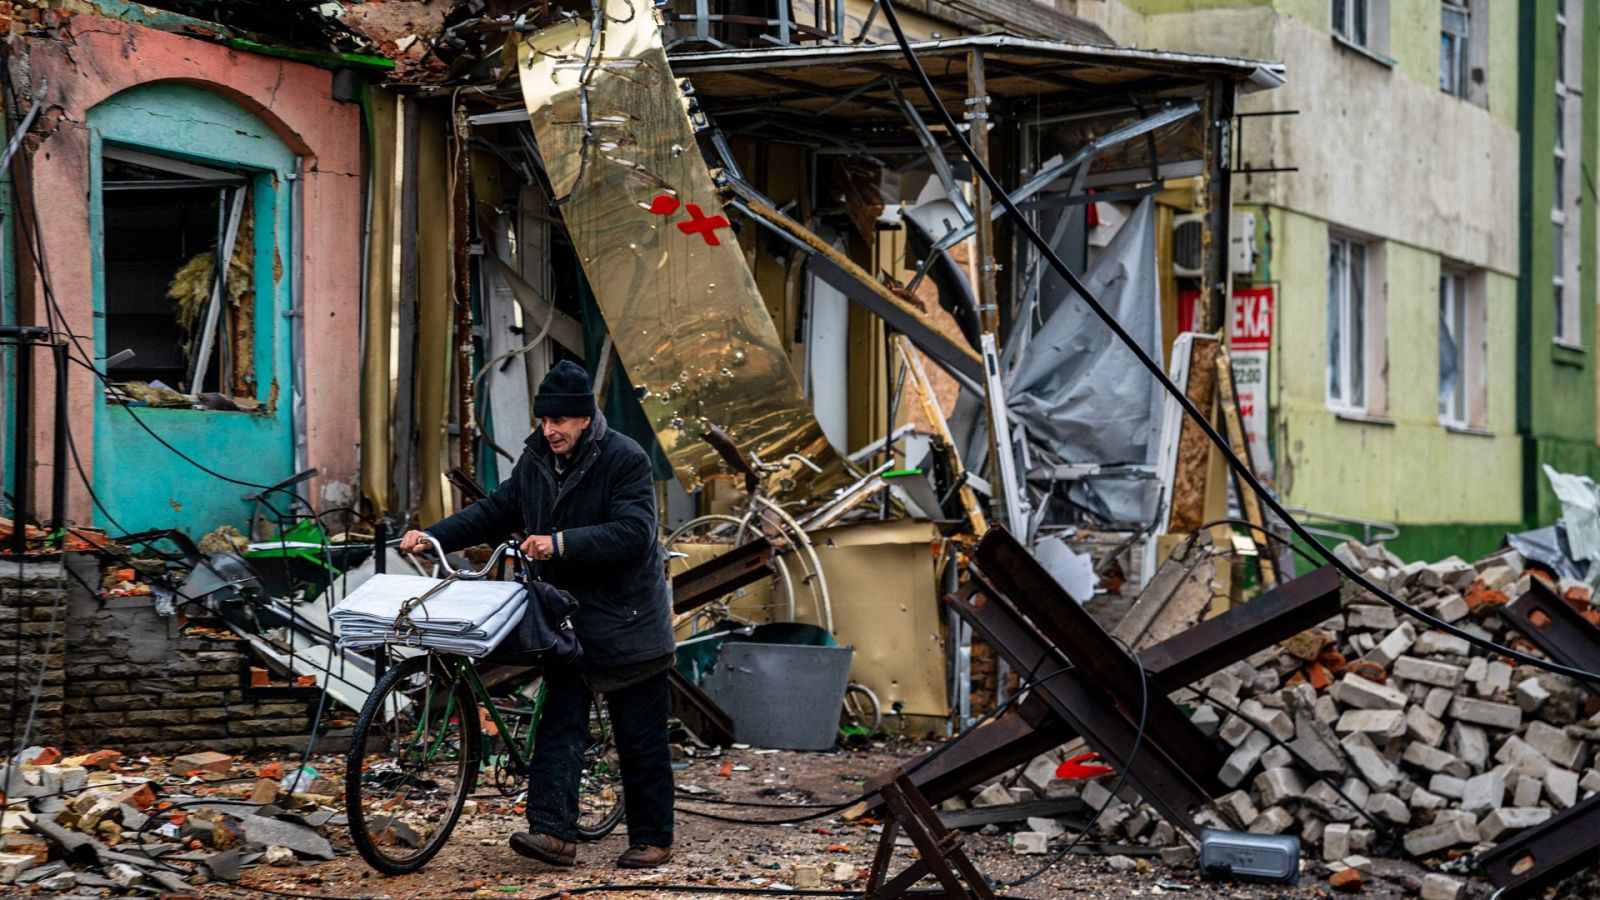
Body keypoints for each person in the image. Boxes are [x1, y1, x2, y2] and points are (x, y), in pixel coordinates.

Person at [400, 359, 676, 870]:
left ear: (586, 420)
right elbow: (494, 511)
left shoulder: (625, 459)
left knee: (639, 734)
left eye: (561, 421)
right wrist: (434, 534)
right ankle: (553, 833)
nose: (550, 430)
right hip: (567, 619)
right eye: (544, 420)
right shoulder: (535, 461)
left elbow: (636, 532)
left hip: (626, 618)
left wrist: (561, 543)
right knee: (560, 722)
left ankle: (653, 837)